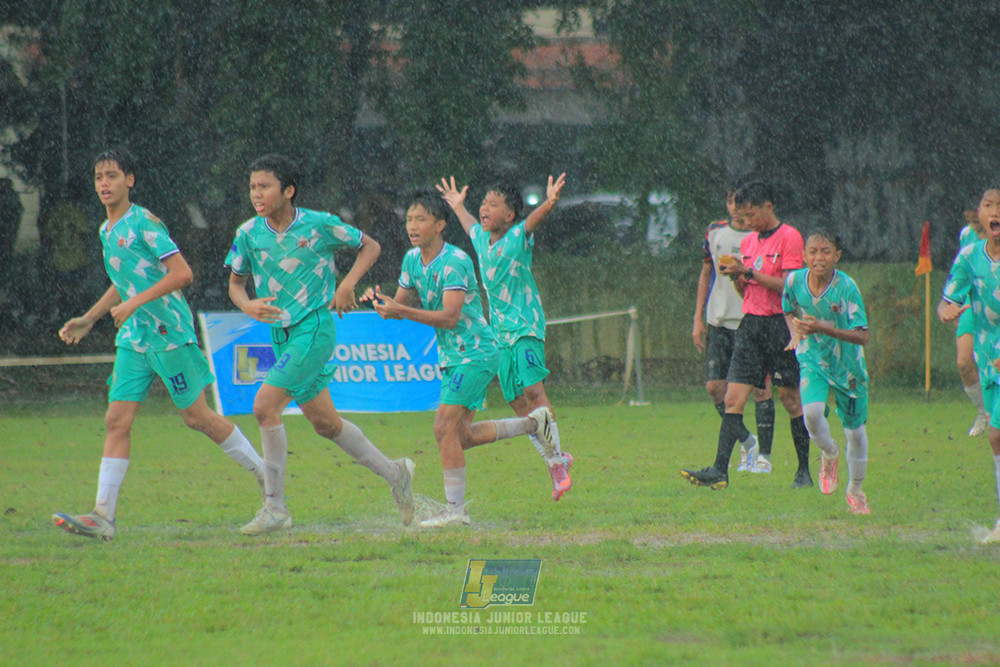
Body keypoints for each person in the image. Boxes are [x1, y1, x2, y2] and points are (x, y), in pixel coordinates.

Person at [52, 149, 266, 541]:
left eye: (113, 176)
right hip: (135, 338)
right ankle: (103, 516)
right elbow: (124, 280)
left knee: (197, 418)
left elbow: (183, 273)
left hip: (169, 335)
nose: (104, 183)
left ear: (129, 181)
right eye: (99, 176)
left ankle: (267, 479)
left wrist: (134, 303)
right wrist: (91, 317)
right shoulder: (106, 230)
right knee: (116, 420)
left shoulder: (144, 224)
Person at [226, 154, 415, 535]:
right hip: (280, 335)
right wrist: (247, 304)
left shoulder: (319, 224)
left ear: (288, 191)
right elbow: (235, 283)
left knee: (264, 407)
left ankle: (275, 507)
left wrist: (347, 284)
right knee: (326, 424)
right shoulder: (248, 233)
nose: (256, 194)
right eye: (252, 187)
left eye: (265, 186)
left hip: (313, 328)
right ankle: (397, 474)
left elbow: (371, 247)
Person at [368, 190, 557, 527]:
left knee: (443, 427)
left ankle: (455, 512)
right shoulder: (412, 260)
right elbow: (397, 308)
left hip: (476, 352)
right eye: (409, 219)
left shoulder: (455, 260)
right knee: (462, 436)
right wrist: (381, 302)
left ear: (440, 225)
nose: (412, 225)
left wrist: (402, 310)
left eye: (421, 219)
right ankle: (533, 424)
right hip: (454, 356)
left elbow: (450, 317)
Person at [436, 175, 573, 500]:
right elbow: (469, 222)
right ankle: (555, 459)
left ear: (510, 215)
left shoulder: (516, 237)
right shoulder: (481, 240)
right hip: (499, 337)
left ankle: (557, 462)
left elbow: (531, 223)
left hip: (526, 328)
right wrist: (458, 205)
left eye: (493, 204)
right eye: (483, 202)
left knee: (533, 390)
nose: (484, 208)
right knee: (518, 405)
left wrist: (550, 203)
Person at [680, 180, 811, 489]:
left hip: (781, 326)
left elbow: (789, 288)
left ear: (769, 206)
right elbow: (747, 290)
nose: (749, 223)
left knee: (791, 400)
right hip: (750, 326)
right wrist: (739, 277)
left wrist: (749, 273)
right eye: (745, 217)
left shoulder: (790, 238)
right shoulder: (750, 242)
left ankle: (803, 470)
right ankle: (719, 470)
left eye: (753, 215)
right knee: (732, 398)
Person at [783, 230, 871, 513]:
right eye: (813, 251)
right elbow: (787, 307)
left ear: (837, 256)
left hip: (848, 367)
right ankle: (829, 453)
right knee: (810, 413)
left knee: (855, 434)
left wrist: (821, 327)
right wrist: (795, 335)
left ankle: (856, 490)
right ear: (804, 255)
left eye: (825, 251)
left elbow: (862, 336)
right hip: (814, 360)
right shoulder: (794, 280)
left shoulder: (847, 287)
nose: (818, 258)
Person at [692, 182, 775, 473]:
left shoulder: (759, 235)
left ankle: (763, 457)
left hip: (751, 321)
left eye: (740, 201)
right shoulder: (714, 230)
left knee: (760, 389)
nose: (735, 207)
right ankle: (746, 440)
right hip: (719, 320)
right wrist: (697, 318)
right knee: (715, 388)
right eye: (731, 200)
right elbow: (706, 274)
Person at [938, 184, 1000, 543]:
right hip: (989, 360)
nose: (995, 211)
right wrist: (945, 309)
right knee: (996, 438)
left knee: (996, 435)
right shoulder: (969, 256)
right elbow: (949, 298)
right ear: (980, 214)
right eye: (988, 205)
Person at [953, 207, 989, 437]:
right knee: (964, 362)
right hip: (971, 305)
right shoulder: (966, 235)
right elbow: (961, 271)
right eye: (968, 211)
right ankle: (983, 412)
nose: (972, 215)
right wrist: (952, 302)